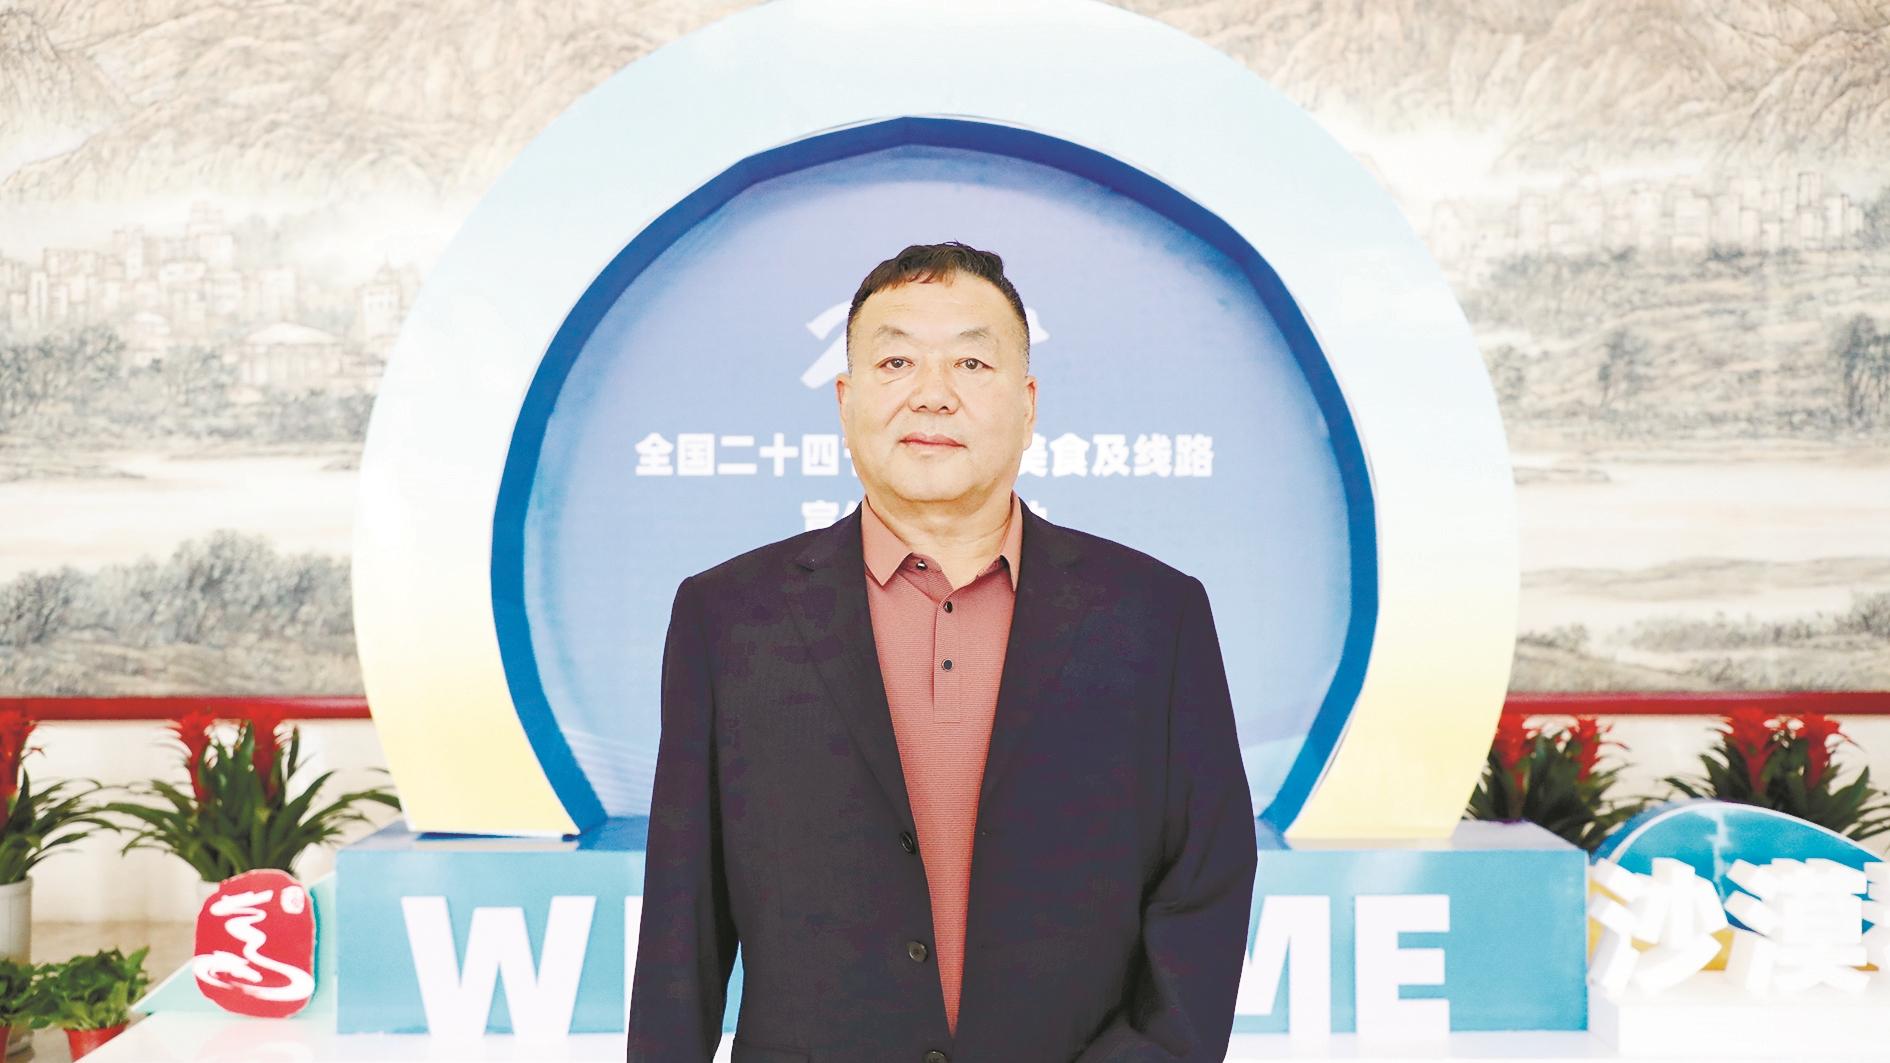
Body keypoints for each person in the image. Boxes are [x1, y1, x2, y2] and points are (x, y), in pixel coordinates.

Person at [627, 241, 1256, 1063]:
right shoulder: (728, 618)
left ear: (1027, 404)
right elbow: (681, 931)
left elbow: (1204, 889)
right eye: (896, 362)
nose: (932, 394)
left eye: (971, 362)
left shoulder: (1154, 616)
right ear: (845, 401)